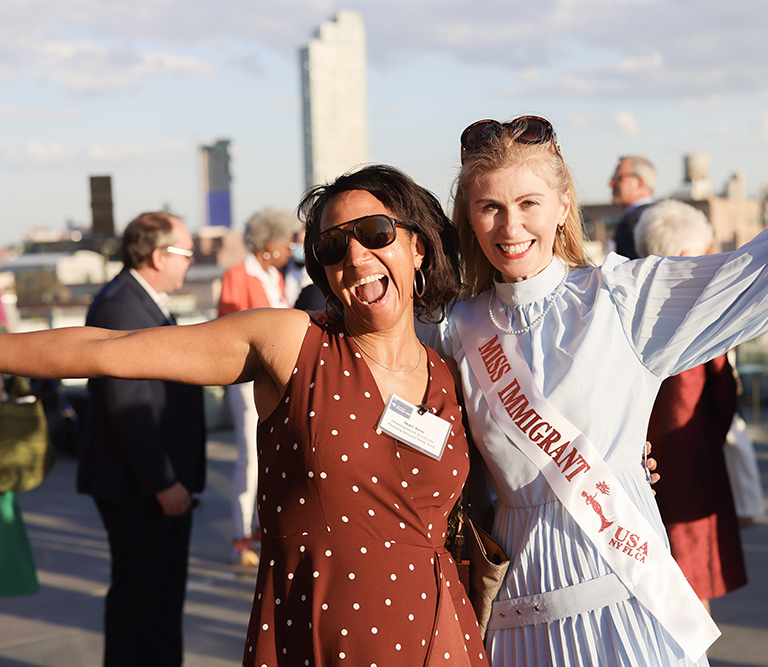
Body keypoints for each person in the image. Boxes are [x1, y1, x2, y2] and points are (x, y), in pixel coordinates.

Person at [425, 77, 768, 667]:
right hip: (516, 618)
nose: (510, 227)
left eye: (528, 203)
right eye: (490, 207)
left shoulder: (619, 300)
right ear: (469, 213)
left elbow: (755, 273)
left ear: (564, 205)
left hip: (625, 602)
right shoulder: (452, 329)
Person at [0, 166, 488, 666]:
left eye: (375, 233)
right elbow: (107, 348)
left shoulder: (451, 373)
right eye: (332, 247)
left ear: (418, 247)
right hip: (318, 634)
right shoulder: (292, 344)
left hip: (440, 634)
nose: (357, 257)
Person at [75, 211, 205, 667]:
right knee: (141, 607)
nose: (192, 262)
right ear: (158, 255)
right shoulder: (121, 306)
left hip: (154, 483)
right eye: (187, 253)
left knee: (161, 604)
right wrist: (162, 481)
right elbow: (127, 406)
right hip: (139, 488)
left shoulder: (143, 299)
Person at [634, 199, 747, 611]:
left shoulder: (627, 302)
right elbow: (721, 394)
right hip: (689, 460)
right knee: (692, 596)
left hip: (632, 466)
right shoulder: (701, 313)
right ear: (686, 256)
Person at [217, 207, 300, 567]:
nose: (289, 249)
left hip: (276, 381)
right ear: (269, 244)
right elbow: (226, 329)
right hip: (248, 379)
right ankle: (241, 534)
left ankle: (265, 528)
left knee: (273, 455)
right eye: (285, 242)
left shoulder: (274, 276)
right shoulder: (237, 276)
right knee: (249, 457)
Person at [609, 155, 656, 259]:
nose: (610, 183)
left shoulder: (631, 224)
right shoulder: (665, 217)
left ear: (639, 183)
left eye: (619, 178)